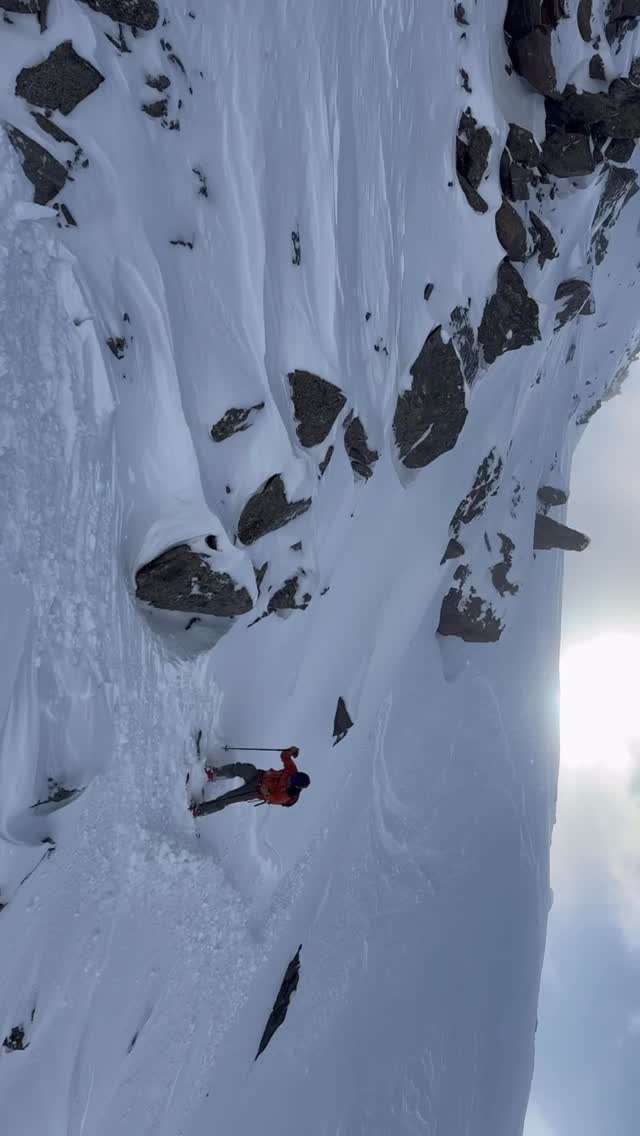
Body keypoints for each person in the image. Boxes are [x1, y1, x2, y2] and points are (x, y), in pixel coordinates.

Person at [190, 746, 310, 817]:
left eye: (292, 780)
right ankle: (212, 774)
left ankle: (199, 810)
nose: (290, 777)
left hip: (255, 791)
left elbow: (271, 798)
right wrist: (290, 751)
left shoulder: (286, 795)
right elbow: (284, 756)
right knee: (241, 768)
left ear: (296, 786)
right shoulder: (292, 771)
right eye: (293, 776)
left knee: (227, 798)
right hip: (258, 776)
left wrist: (265, 792)